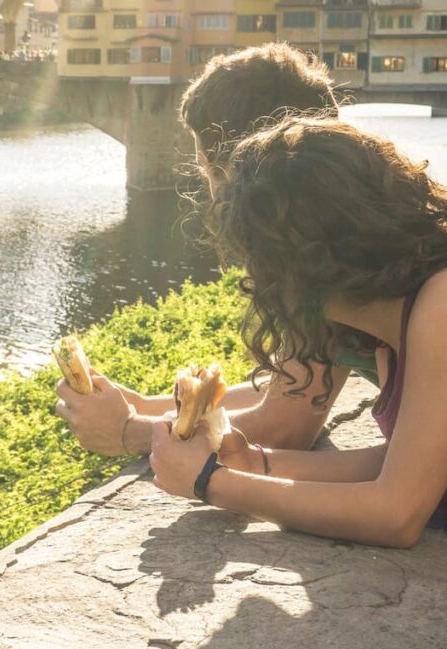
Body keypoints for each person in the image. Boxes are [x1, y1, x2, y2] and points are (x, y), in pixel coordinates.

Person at [149, 115, 447, 546]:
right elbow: (406, 465)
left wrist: (209, 482)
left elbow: (397, 513)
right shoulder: (390, 336)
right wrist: (254, 464)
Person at [56, 43, 346, 457]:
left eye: (206, 170)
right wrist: (143, 406)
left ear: (238, 168)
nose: (212, 196)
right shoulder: (337, 227)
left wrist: (131, 432)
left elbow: (286, 427)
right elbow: (290, 391)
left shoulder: (327, 256)